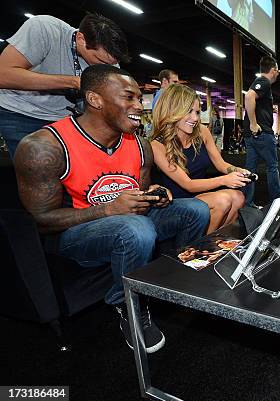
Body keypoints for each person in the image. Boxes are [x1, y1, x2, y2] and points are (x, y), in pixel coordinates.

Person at [13, 65, 210, 353]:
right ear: (95, 100)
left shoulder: (139, 144)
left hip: (130, 221)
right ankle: (128, 305)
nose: (139, 106)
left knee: (195, 209)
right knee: (136, 228)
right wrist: (107, 210)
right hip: (76, 235)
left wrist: (156, 195)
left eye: (139, 98)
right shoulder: (44, 146)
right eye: (129, 97)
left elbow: (140, 195)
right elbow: (39, 221)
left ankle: (176, 282)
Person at [0, 13, 130, 158]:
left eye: (110, 64)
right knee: (39, 169)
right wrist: (72, 81)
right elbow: (3, 75)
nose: (105, 67)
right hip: (21, 112)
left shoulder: (109, 60)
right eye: (99, 60)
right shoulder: (45, 28)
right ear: (81, 39)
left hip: (63, 119)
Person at [151, 84, 249, 234]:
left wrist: (236, 170)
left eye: (197, 112)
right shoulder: (157, 144)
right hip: (174, 204)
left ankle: (217, 241)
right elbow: (188, 184)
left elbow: (220, 163)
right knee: (223, 200)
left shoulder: (202, 131)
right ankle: (199, 246)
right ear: (173, 111)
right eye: (188, 112)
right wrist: (224, 180)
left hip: (199, 197)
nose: (195, 118)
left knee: (238, 197)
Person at [243, 55, 280, 206]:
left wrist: (266, 108)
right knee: (272, 167)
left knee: (250, 169)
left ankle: (247, 203)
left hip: (250, 135)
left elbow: (254, 100)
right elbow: (249, 97)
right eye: (277, 70)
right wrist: (254, 124)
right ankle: (277, 202)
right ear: (273, 70)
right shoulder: (264, 81)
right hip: (261, 133)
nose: (278, 73)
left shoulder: (259, 83)